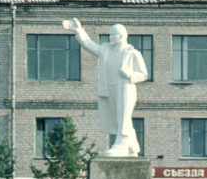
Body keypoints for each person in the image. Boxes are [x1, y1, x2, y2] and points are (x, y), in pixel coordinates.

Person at [63, 18, 148, 156]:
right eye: (110, 34)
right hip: (110, 88)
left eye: (114, 34)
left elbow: (144, 74)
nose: (111, 37)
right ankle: (132, 147)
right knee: (117, 117)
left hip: (125, 87)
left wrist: (129, 75)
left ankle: (121, 145)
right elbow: (89, 44)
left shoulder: (132, 52)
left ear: (122, 36)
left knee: (123, 117)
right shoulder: (105, 50)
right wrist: (78, 30)